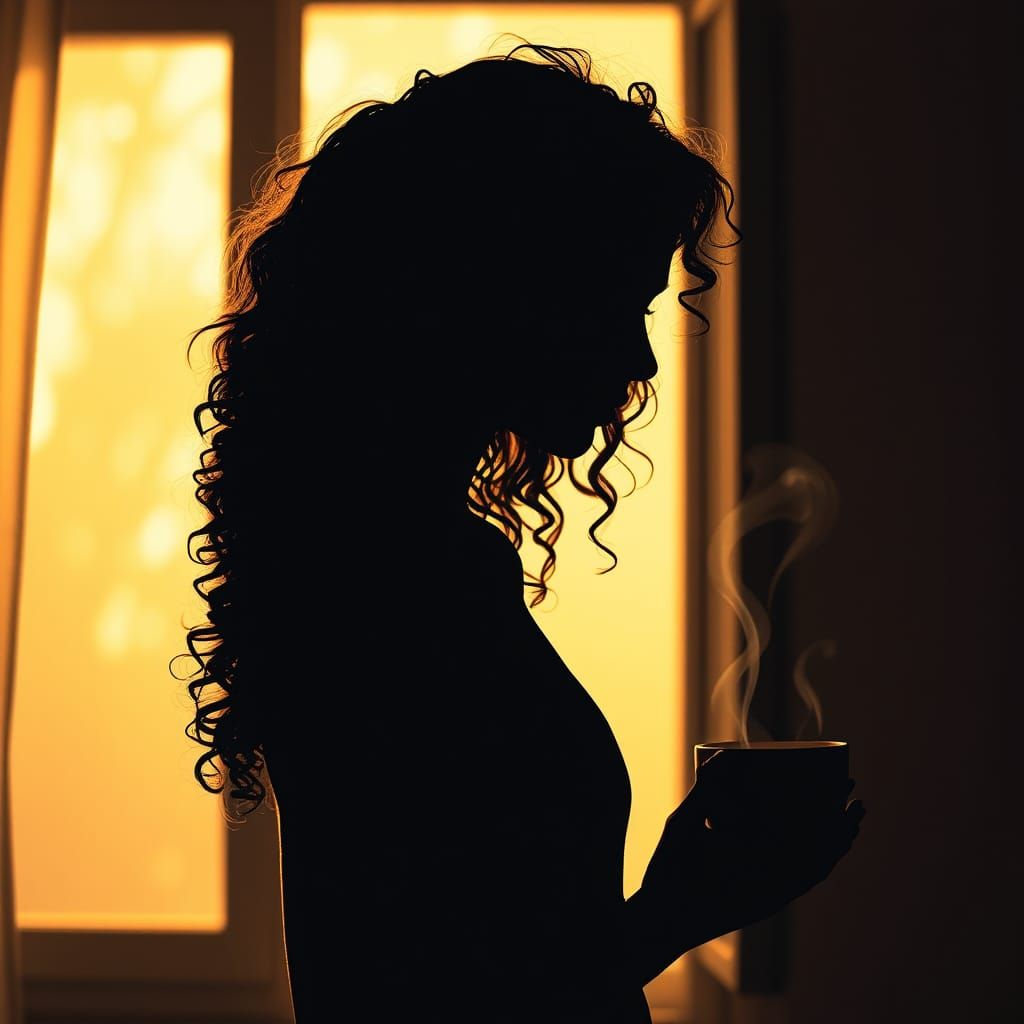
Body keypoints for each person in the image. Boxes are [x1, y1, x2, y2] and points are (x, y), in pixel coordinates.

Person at [176, 40, 865, 1022]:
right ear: (499, 296)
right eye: (617, 305)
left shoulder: (376, 553)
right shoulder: (406, 583)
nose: (638, 356)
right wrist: (677, 910)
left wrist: (669, 910)